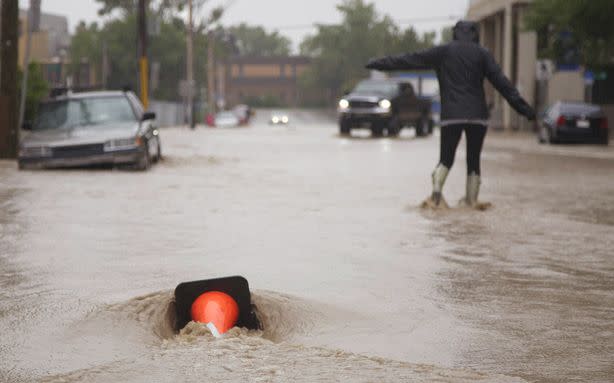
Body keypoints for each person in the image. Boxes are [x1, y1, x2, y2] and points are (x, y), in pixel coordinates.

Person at [366, 21, 535, 208]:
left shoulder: (443, 52)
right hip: (477, 116)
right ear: (475, 34)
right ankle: (472, 201)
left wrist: (377, 64)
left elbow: (409, 59)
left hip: (451, 115)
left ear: (455, 34)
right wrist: (524, 109)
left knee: (446, 159)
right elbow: (503, 84)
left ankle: (436, 195)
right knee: (473, 160)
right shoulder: (482, 54)